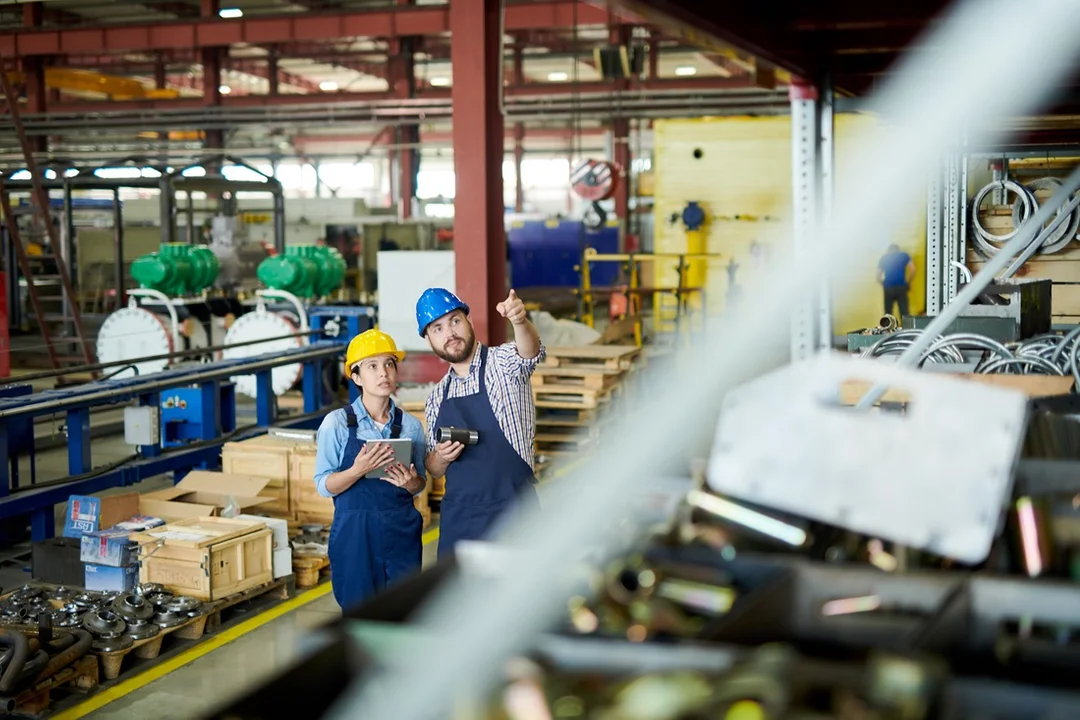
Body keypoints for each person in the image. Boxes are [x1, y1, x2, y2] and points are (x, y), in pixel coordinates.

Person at [418, 287, 544, 558]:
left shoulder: (504, 365)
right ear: (429, 341)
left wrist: (519, 321)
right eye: (437, 328)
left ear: (469, 321)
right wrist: (440, 456)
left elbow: (530, 351)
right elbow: (434, 468)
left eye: (454, 321)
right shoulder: (436, 397)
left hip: (516, 515)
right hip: (460, 522)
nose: (449, 333)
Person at [313, 329, 427, 610]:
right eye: (372, 366)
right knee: (359, 615)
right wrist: (357, 470)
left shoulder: (411, 426)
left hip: (401, 531)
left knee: (404, 610)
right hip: (355, 536)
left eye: (389, 364)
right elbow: (323, 485)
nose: (383, 373)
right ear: (355, 377)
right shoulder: (337, 424)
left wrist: (411, 483)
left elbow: (421, 483)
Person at [877, 243, 915, 319]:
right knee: (904, 313)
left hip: (888, 287)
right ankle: (907, 329)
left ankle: (887, 329)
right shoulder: (904, 256)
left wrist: (884, 284)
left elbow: (878, 276)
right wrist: (908, 283)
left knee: (888, 313)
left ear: (888, 250)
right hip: (901, 286)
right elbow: (913, 269)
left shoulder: (884, 258)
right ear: (898, 250)